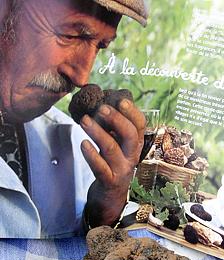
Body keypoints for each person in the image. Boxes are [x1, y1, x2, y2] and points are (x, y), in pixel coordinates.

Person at [0, 0, 147, 238]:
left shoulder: (74, 143)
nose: (81, 76)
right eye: (69, 35)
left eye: (100, 45)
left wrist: (103, 212)